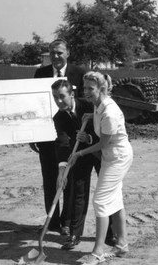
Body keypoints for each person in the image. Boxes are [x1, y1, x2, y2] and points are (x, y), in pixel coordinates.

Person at [68, 71, 133, 265]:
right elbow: (99, 117)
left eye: (91, 88)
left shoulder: (109, 112)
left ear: (101, 89)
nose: (86, 92)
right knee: (115, 198)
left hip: (117, 157)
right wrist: (91, 114)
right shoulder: (99, 105)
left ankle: (97, 252)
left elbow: (102, 144)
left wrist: (79, 153)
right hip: (111, 156)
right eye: (84, 87)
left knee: (101, 201)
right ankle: (122, 245)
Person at [30, 39, 86, 235]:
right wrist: (32, 135)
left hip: (72, 139)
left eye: (60, 53)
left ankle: (67, 222)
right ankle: (52, 221)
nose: (56, 57)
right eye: (52, 53)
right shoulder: (40, 74)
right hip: (46, 137)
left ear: (67, 53)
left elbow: (84, 104)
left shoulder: (80, 73)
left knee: (69, 181)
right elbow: (33, 104)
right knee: (49, 180)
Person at [51, 79, 100, 250]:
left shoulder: (88, 105)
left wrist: (89, 138)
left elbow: (107, 129)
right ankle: (74, 234)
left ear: (71, 94)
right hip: (79, 155)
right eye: (55, 97)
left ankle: (110, 234)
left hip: (101, 152)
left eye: (62, 97)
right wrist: (62, 170)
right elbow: (63, 144)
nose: (58, 101)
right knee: (78, 192)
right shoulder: (59, 117)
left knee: (106, 194)